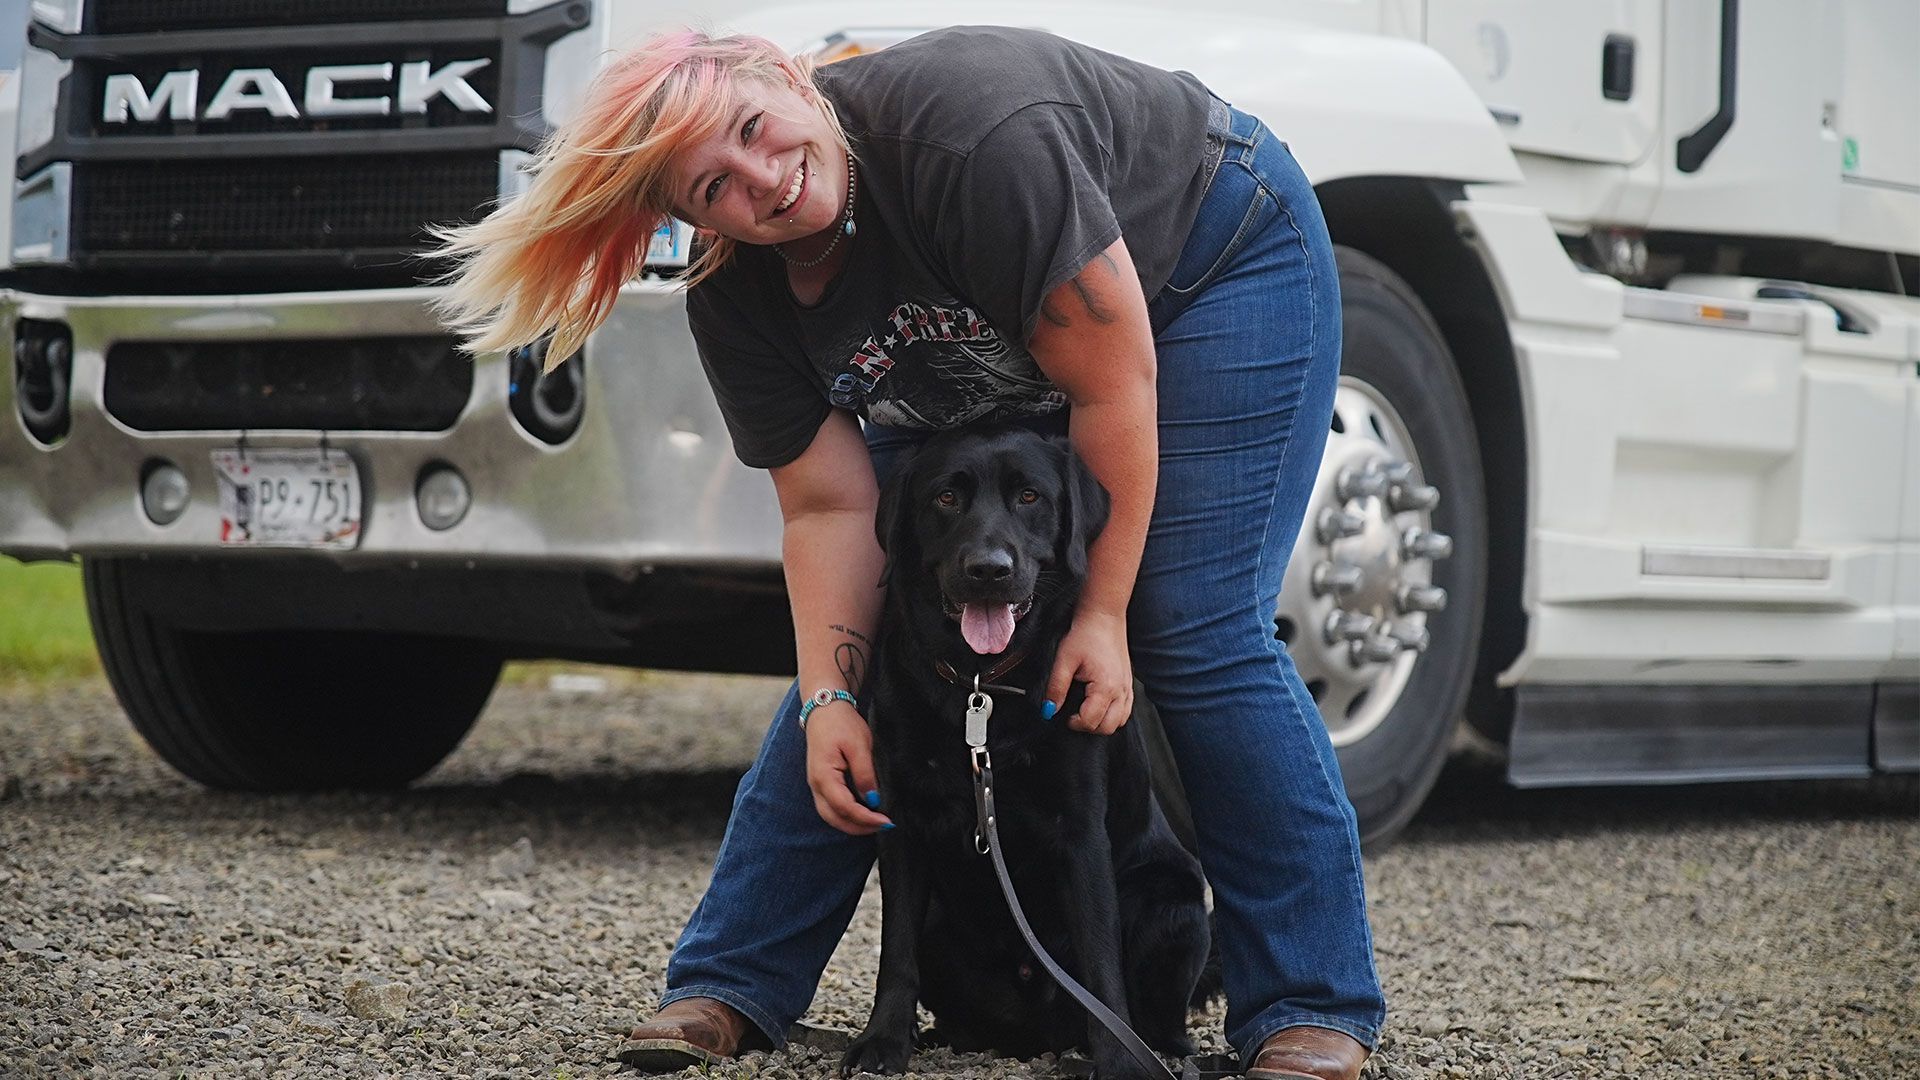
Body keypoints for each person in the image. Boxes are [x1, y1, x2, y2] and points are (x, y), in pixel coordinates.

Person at [434, 25, 1383, 1080]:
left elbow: (1112, 385)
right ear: (693, 221)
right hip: (985, 338)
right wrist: (832, 703)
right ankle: (730, 983)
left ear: (789, 80)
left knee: (1189, 621)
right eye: (714, 188)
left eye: (756, 130)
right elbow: (831, 512)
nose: (761, 180)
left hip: (1207, 266)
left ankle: (1310, 1001)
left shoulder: (975, 139)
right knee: (874, 653)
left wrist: (1103, 617)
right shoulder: (738, 295)